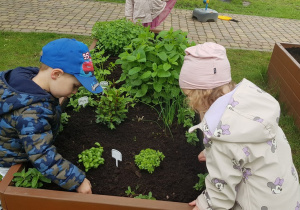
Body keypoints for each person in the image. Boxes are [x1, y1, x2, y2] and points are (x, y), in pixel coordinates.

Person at [179, 42, 300, 210]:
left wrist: (204, 204)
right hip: (288, 200)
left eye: (188, 95)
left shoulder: (223, 139)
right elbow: (244, 148)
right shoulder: (252, 111)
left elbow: (221, 193)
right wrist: (211, 152)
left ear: (199, 97)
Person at [0, 38, 103, 194]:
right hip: (8, 161)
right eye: (74, 85)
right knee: (7, 191)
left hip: (22, 145)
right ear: (56, 74)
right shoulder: (31, 113)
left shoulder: (31, 82)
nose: (75, 92)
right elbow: (41, 154)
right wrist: (77, 180)